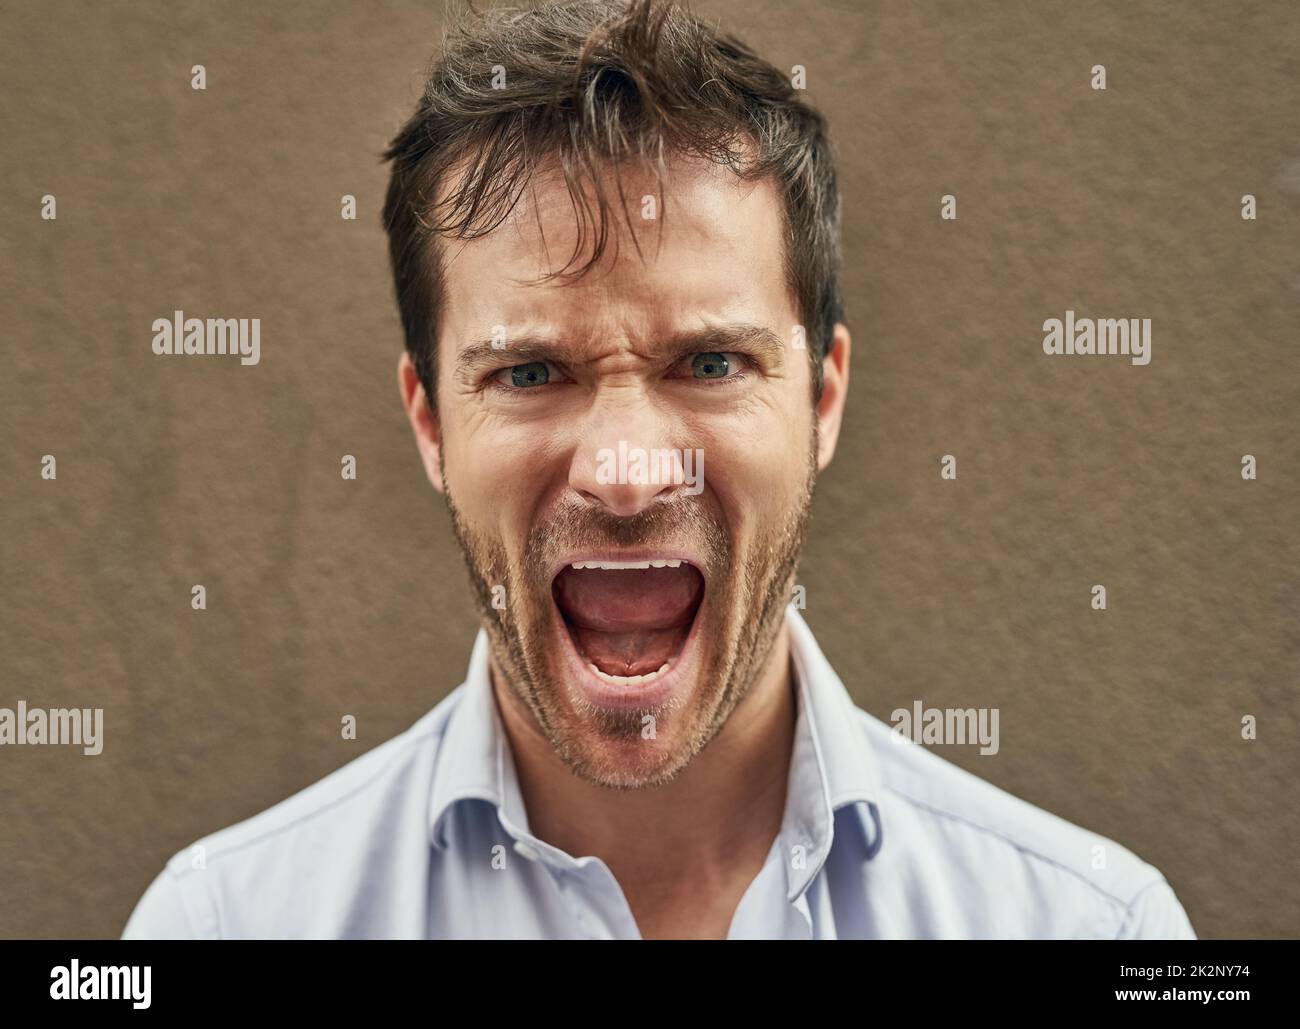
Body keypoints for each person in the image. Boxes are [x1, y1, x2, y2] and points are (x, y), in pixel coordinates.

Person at [122, 0, 1195, 939]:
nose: (628, 475)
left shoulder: (1091, 925)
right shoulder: (221, 924)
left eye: (711, 362)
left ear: (820, 398)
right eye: (532, 370)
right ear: (430, 426)